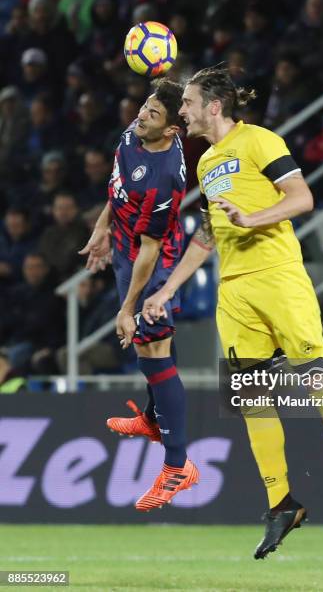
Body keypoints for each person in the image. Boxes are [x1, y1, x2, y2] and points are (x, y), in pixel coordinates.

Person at [141, 67, 323, 559]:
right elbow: (207, 235)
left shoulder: (261, 141)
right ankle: (282, 504)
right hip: (234, 291)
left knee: (318, 380)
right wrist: (166, 289)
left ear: (213, 106)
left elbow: (302, 198)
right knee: (252, 397)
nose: (180, 111)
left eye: (186, 103)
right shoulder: (206, 162)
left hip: (278, 276)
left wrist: (254, 218)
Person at [79, 78, 199, 511]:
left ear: (171, 130)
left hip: (154, 264)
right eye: (144, 107)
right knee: (152, 355)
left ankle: (177, 465)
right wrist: (102, 227)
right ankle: (151, 419)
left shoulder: (165, 176)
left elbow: (151, 247)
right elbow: (118, 186)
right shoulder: (136, 133)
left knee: (154, 353)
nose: (141, 115)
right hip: (127, 250)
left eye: (152, 113)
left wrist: (127, 308)